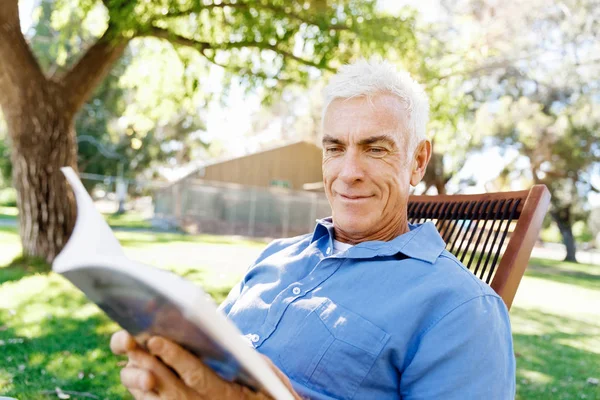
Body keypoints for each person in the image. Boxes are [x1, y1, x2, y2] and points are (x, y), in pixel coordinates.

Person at [111, 60, 516, 399]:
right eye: (335, 148)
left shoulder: (461, 309)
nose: (349, 173)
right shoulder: (276, 256)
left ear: (417, 161)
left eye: (376, 149)